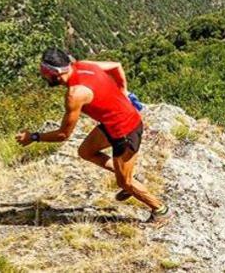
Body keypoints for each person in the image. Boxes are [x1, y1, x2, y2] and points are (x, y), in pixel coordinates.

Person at [17, 48, 170, 224]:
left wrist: (34, 137)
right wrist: (123, 90)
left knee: (124, 183)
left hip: (125, 131)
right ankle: (128, 176)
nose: (43, 77)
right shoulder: (83, 65)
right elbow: (116, 66)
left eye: (44, 73)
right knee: (86, 151)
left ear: (55, 73)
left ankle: (160, 210)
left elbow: (62, 134)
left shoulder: (75, 94)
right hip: (114, 123)